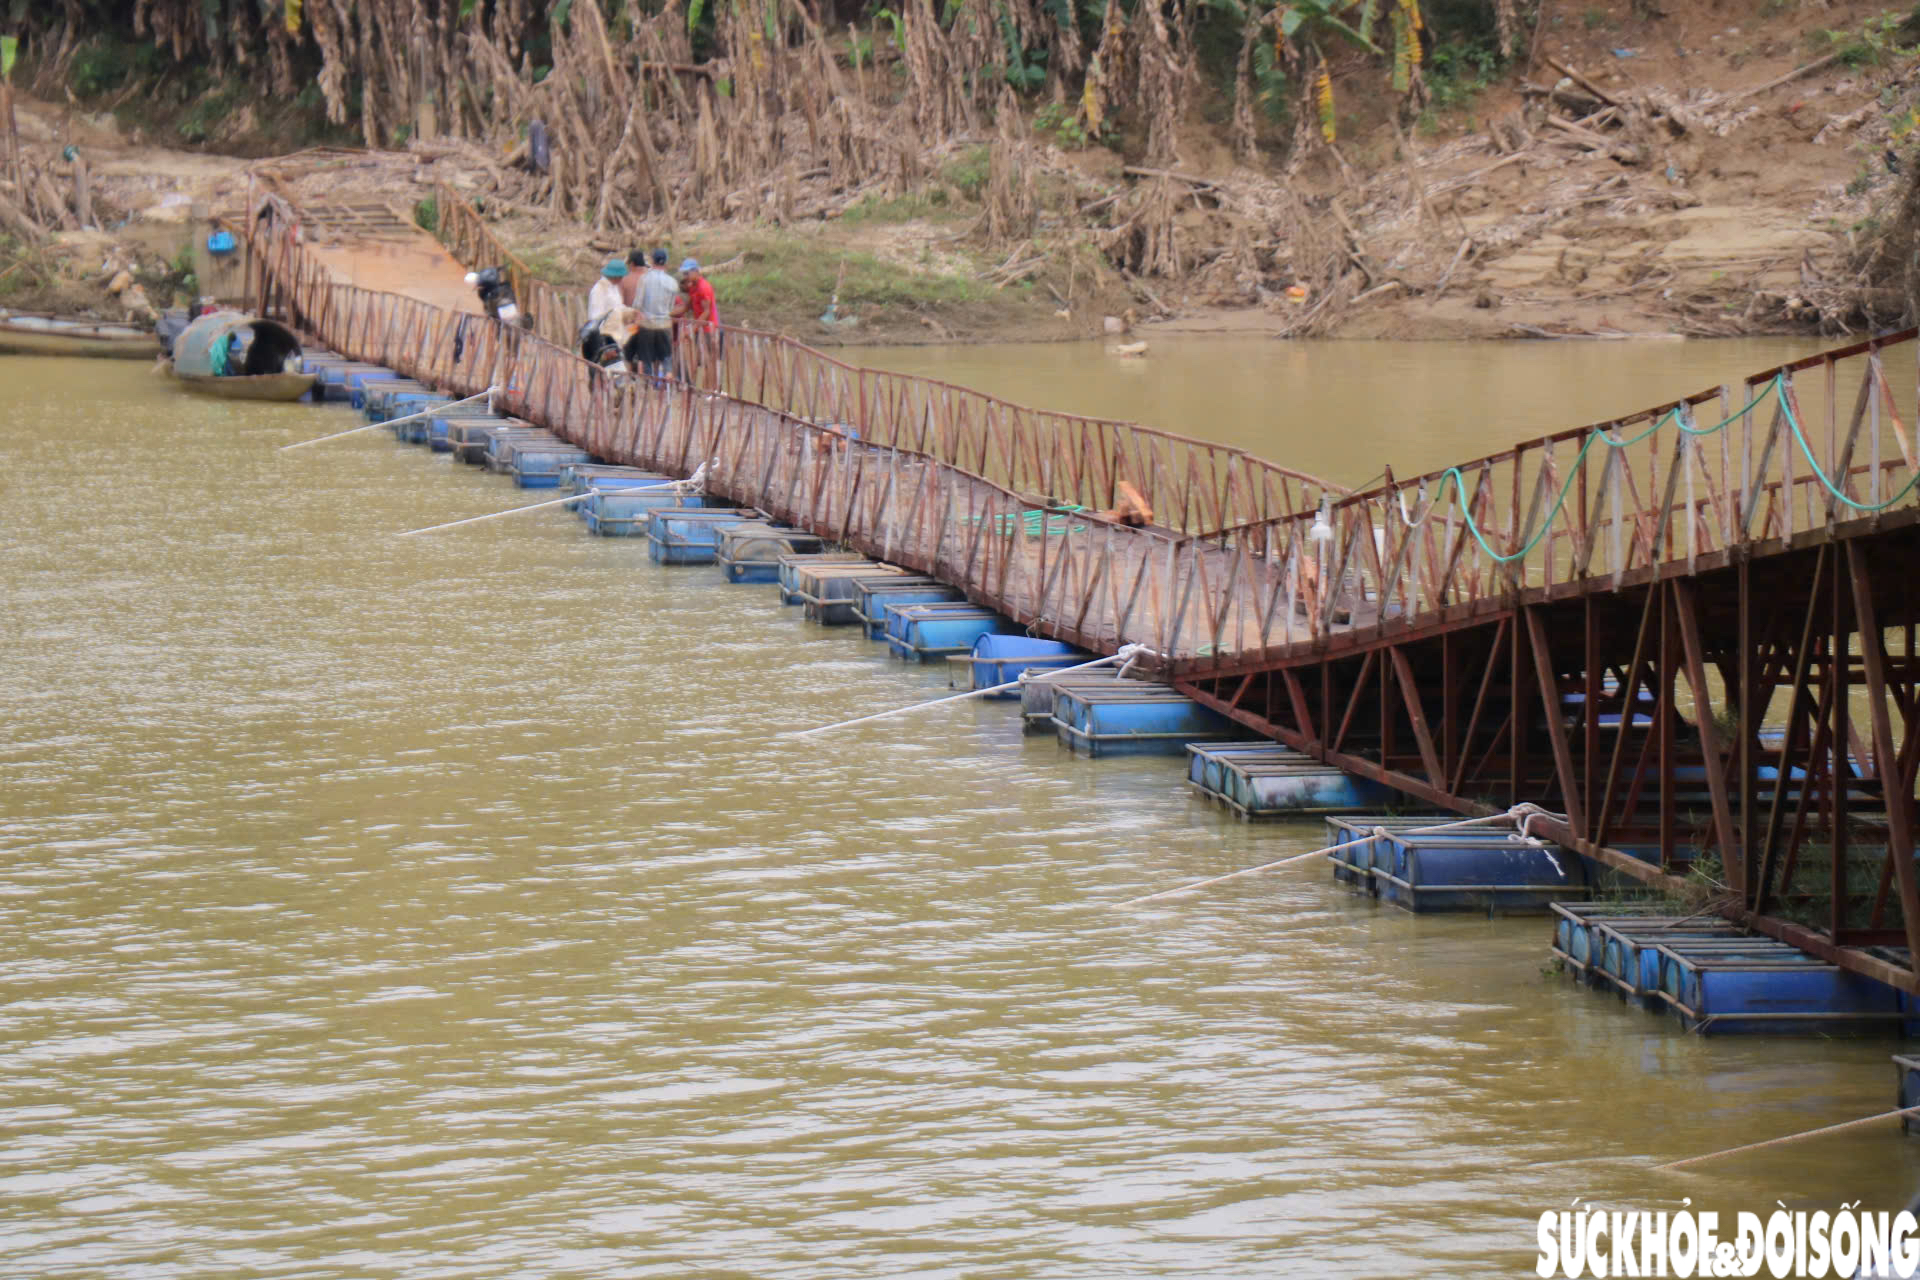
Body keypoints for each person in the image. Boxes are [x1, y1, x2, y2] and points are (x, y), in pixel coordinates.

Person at [634, 248, 680, 383]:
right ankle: (668, 379)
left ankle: (650, 386)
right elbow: (671, 307)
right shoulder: (672, 282)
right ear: (666, 263)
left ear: (652, 261)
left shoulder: (644, 279)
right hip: (664, 323)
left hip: (647, 323)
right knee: (666, 355)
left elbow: (637, 303)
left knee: (646, 356)